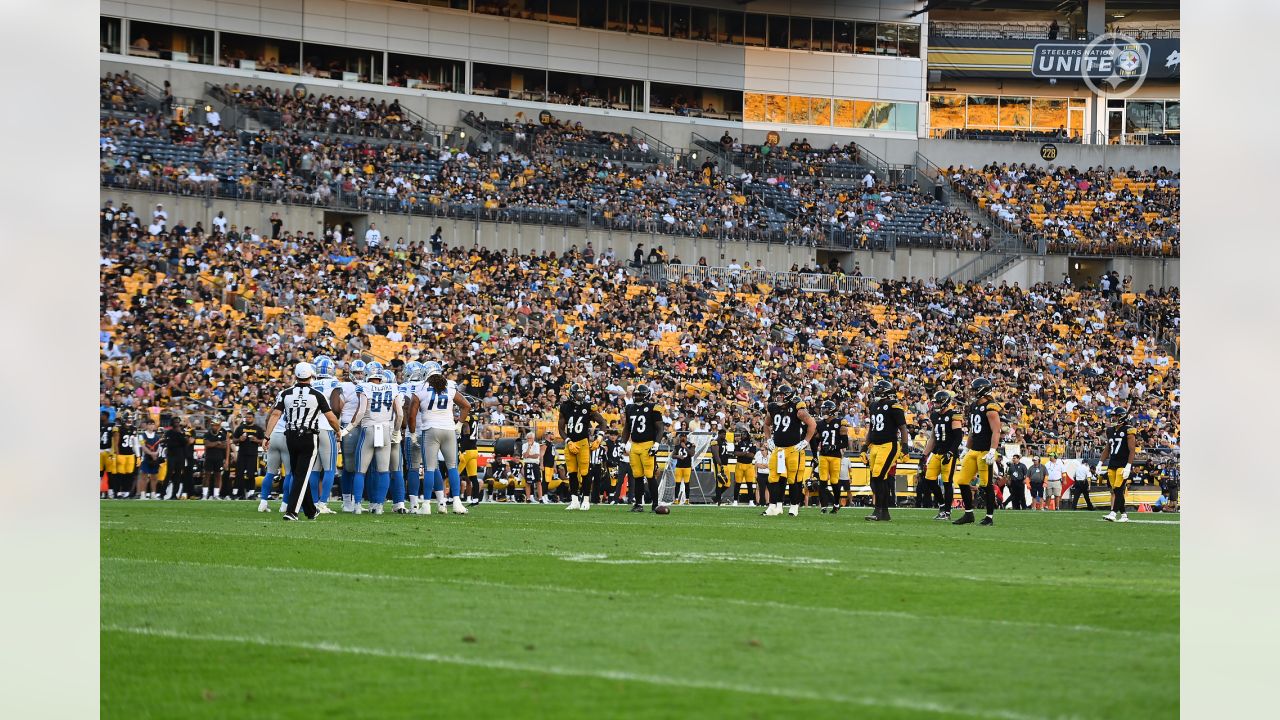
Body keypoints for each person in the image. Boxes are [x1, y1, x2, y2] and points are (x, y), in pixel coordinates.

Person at [263, 362, 344, 521]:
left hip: (291, 436)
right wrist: (338, 431)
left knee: (299, 473)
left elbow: (274, 415)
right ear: (311, 376)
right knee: (301, 475)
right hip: (308, 436)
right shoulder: (317, 394)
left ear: (296, 376)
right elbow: (331, 417)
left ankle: (311, 510)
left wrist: (267, 436)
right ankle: (292, 511)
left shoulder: (286, 393)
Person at [407, 361, 472, 515]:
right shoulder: (449, 387)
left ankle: (427, 505)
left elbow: (411, 416)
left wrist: (413, 433)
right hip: (448, 430)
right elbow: (466, 405)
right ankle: (456, 502)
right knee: (452, 467)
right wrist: (459, 424)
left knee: (430, 468)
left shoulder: (420, 389)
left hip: (430, 430)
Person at [953, 376, 1001, 526]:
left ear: (982, 390)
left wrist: (992, 450)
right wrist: (967, 447)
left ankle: (989, 517)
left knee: (986, 485)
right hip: (974, 450)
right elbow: (974, 431)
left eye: (975, 389)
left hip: (985, 451)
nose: (972, 392)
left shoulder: (990, 407)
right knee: (962, 481)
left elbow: (996, 431)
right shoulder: (974, 406)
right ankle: (968, 514)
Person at [763, 383, 816, 517]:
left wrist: (805, 441)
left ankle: (794, 506)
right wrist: (768, 439)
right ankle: (773, 506)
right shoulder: (773, 407)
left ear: (788, 396)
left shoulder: (797, 407)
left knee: (794, 479)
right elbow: (766, 424)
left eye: (781, 395)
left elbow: (812, 424)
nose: (779, 398)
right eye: (778, 395)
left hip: (793, 449)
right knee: (773, 477)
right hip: (778, 449)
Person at [557, 382, 608, 511]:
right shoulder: (565, 406)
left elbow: (603, 422)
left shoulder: (588, 406)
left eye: (582, 393)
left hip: (583, 443)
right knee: (572, 473)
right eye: (578, 393)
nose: (581, 396)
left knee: (585, 473)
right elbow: (561, 428)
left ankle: (586, 499)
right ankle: (574, 500)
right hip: (570, 443)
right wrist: (568, 441)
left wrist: (599, 437)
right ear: (572, 394)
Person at [863, 379, 909, 522]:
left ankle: (879, 510)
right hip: (875, 446)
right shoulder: (874, 405)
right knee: (875, 479)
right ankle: (884, 512)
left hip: (889, 445)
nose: (875, 392)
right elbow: (871, 428)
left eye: (878, 389)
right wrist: (865, 447)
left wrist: (905, 447)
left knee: (878, 477)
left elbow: (903, 428)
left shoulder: (894, 406)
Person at [622, 384, 665, 512]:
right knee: (637, 476)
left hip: (647, 445)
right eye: (636, 395)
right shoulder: (629, 408)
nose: (638, 397)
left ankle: (655, 504)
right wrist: (623, 443)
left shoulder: (653, 407)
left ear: (646, 395)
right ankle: (638, 504)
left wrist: (656, 444)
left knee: (650, 475)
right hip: (635, 445)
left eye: (640, 395)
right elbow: (627, 428)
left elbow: (660, 428)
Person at [922, 390, 963, 521]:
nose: (937, 404)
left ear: (945, 402)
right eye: (936, 402)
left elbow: (958, 437)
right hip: (937, 452)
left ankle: (947, 512)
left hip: (948, 453)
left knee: (947, 482)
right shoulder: (934, 416)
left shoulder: (953, 415)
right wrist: (925, 454)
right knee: (929, 479)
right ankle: (942, 505)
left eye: (939, 402)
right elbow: (933, 437)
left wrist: (951, 452)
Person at [308, 356, 341, 513]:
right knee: (329, 469)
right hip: (326, 427)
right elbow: (335, 407)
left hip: (312, 428)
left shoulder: (311, 384)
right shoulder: (333, 383)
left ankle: (314, 502)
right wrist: (337, 425)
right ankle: (322, 503)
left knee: (315, 469)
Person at [335, 358, 367, 512]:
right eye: (356, 373)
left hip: (367, 427)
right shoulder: (346, 386)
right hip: (349, 427)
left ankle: (358, 501)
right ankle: (347, 500)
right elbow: (338, 408)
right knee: (349, 466)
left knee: (364, 466)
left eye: (361, 372)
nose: (359, 375)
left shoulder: (370, 385)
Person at [1101, 406, 1137, 522]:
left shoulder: (1128, 430)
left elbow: (1132, 450)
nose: (1114, 418)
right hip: (1112, 463)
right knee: (1116, 490)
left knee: (1118, 489)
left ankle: (1113, 513)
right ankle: (1124, 515)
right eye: (1113, 416)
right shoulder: (1110, 430)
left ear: (1122, 417)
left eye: (1116, 416)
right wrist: (1100, 462)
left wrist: (1128, 465)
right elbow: (1107, 448)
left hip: (1123, 463)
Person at [814, 400, 850, 514]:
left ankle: (836, 504)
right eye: (823, 409)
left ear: (832, 411)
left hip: (835, 456)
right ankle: (823, 506)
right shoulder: (820, 424)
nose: (823, 411)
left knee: (834, 481)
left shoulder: (840, 423)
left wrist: (833, 447)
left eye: (825, 409)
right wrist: (816, 453)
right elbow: (815, 440)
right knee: (822, 480)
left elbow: (845, 444)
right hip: (823, 455)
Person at [257, 412, 291, 513]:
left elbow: (269, 417)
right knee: (289, 473)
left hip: (274, 434)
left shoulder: (279, 398)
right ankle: (284, 504)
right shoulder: (294, 398)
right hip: (286, 435)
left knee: (270, 472)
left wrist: (267, 435)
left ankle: (263, 502)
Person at [231, 413, 263, 501]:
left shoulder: (258, 429)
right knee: (239, 474)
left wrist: (256, 440)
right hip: (242, 454)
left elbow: (263, 441)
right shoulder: (241, 428)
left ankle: (251, 494)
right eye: (247, 417)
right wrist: (239, 439)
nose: (248, 419)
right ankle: (235, 493)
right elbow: (233, 440)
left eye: (250, 417)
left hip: (252, 455)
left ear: (253, 418)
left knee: (251, 474)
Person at [163, 417, 191, 501]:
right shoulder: (169, 433)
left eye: (178, 422)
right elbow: (169, 443)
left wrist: (181, 435)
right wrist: (181, 438)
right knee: (168, 474)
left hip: (180, 456)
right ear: (172, 423)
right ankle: (162, 493)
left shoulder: (182, 432)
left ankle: (174, 494)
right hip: (171, 455)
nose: (177, 424)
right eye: (175, 422)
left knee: (178, 476)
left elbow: (187, 442)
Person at [201, 422, 229, 500]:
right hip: (209, 458)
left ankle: (216, 495)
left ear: (219, 426)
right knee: (207, 475)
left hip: (219, 458)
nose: (214, 427)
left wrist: (212, 444)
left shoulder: (223, 435)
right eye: (213, 425)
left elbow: (224, 446)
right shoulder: (207, 434)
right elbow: (207, 444)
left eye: (216, 425)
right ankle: (204, 495)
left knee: (218, 476)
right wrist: (217, 442)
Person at [136, 419, 163, 500]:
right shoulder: (142, 435)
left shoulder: (157, 436)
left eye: (153, 424)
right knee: (143, 477)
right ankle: (143, 494)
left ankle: (153, 494)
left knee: (154, 477)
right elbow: (143, 447)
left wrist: (156, 454)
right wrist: (152, 454)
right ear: (147, 425)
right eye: (150, 424)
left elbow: (159, 447)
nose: (151, 426)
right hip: (146, 458)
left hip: (154, 458)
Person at [672, 433, 693, 505]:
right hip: (679, 467)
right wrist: (678, 456)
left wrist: (686, 447)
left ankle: (687, 499)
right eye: (681, 437)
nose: (683, 438)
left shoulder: (690, 444)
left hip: (687, 467)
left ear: (686, 438)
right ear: (680, 438)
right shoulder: (677, 446)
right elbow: (673, 456)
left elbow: (692, 454)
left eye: (684, 437)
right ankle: (676, 499)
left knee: (687, 483)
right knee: (677, 483)